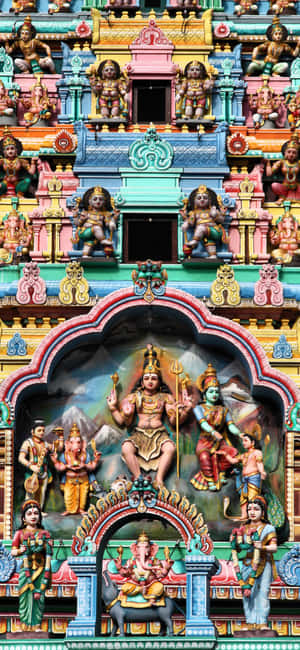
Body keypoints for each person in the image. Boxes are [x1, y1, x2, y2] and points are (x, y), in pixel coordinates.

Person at [107, 344, 192, 487]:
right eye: (147, 378)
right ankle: (139, 478)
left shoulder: (166, 397)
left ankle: (159, 479)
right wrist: (113, 408)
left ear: (159, 381)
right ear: (142, 381)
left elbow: (173, 421)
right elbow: (123, 421)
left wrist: (184, 411)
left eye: (154, 378)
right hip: (139, 435)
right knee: (127, 448)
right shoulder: (134, 397)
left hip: (159, 435)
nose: (150, 381)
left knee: (170, 448)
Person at [190, 363, 241, 491]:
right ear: (205, 393)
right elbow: (203, 423)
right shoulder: (199, 408)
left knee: (233, 453)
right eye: (211, 391)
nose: (214, 394)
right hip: (205, 441)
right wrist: (213, 432)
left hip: (220, 442)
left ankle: (222, 472)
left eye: (217, 392)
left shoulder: (223, 410)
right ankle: (209, 479)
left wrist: (240, 434)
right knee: (204, 457)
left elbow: (231, 426)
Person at [230, 497, 277, 633]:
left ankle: (262, 622)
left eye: (256, 509)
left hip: (264, 562)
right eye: (249, 509)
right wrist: (234, 543)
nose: (252, 512)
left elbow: (274, 547)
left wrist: (262, 546)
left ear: (263, 512)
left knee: (262, 593)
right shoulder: (243, 528)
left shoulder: (268, 528)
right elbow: (239, 549)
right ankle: (250, 621)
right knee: (247, 593)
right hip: (246, 563)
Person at [11, 500, 53, 632]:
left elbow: (49, 552)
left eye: (36, 513)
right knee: (24, 597)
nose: (33, 516)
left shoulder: (44, 533)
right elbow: (13, 551)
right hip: (26, 570)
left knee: (39, 598)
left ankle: (36, 625)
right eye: (29, 514)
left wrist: (47, 545)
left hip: (40, 570)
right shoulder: (20, 534)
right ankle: (24, 625)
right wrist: (20, 551)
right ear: (24, 518)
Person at [51, 423, 101, 516]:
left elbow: (92, 466)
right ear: (68, 444)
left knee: (82, 496)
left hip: (83, 479)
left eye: (78, 442)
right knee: (69, 496)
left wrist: (95, 460)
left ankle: (81, 509)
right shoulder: (65, 456)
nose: (76, 445)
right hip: (69, 480)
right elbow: (59, 467)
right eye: (73, 442)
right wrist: (56, 461)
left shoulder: (85, 455)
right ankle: (69, 509)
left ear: (83, 444)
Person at [114, 531, 173, 607]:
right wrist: (119, 568)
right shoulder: (132, 561)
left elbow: (160, 574)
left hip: (150, 584)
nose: (142, 550)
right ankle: (140, 590)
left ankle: (152, 599)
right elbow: (126, 574)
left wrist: (167, 568)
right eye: (139, 547)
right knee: (125, 587)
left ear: (152, 549)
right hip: (135, 585)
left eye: (146, 547)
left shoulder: (154, 561)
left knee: (159, 586)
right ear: (135, 549)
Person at [218, 427, 266, 519]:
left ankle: (254, 517)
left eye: (246, 440)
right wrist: (225, 454)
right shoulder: (243, 455)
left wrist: (262, 472)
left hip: (253, 478)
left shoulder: (257, 452)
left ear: (252, 443)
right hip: (245, 479)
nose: (243, 443)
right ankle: (244, 515)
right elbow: (233, 461)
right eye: (243, 441)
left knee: (252, 498)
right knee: (243, 498)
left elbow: (259, 463)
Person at [181, 185, 228, 258]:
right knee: (208, 241)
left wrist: (215, 215)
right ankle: (213, 255)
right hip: (206, 233)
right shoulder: (194, 213)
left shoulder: (211, 210)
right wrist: (186, 223)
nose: (202, 200)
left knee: (201, 228)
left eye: (205, 198)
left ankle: (195, 241)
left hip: (215, 230)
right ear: (195, 201)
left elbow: (222, 220)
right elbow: (191, 222)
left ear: (209, 201)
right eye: (199, 198)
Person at [72, 186, 119, 258]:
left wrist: (114, 219)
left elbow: (107, 224)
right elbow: (78, 223)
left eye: (101, 199)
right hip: (84, 232)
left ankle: (85, 255)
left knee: (89, 244)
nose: (98, 201)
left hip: (94, 236)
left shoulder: (104, 214)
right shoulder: (86, 213)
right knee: (97, 228)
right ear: (90, 202)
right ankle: (103, 240)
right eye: (95, 199)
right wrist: (75, 215)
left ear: (104, 202)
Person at [18, 419, 53, 513]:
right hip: (32, 472)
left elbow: (57, 448)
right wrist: (31, 466)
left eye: (43, 430)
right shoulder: (27, 443)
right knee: (30, 492)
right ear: (32, 431)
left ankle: (39, 511)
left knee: (41, 492)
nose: (41, 433)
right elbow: (21, 458)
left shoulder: (45, 444)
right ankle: (27, 511)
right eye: (39, 430)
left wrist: (61, 438)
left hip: (43, 471)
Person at [0, 130, 38, 198]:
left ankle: (20, 194)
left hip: (17, 184)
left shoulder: (20, 161)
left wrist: (33, 163)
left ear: (16, 150)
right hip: (5, 183)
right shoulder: (2, 161)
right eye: (7, 149)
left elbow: (31, 172)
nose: (10, 151)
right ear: (4, 152)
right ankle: (2, 194)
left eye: (12, 149)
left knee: (27, 181)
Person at [265, 135, 300, 204]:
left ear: (297, 155)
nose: (291, 154)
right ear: (285, 153)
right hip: (284, 187)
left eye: (294, 152)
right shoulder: (281, 162)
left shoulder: (298, 163)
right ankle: (282, 197)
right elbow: (269, 174)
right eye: (289, 152)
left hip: (296, 187)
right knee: (274, 185)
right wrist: (268, 163)